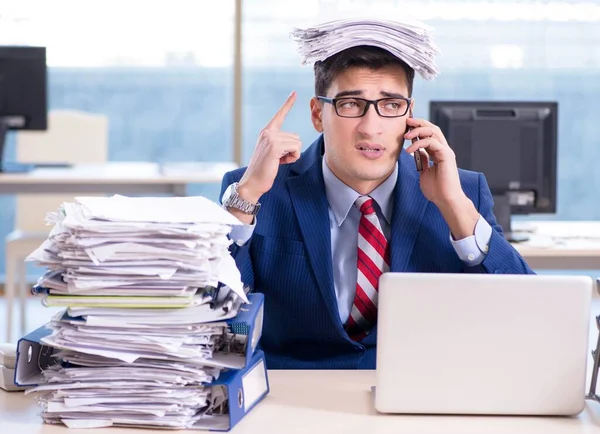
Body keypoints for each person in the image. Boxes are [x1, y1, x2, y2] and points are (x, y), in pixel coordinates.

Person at [219, 44, 535, 370]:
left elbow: (529, 313)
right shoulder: (256, 188)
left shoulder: (463, 192)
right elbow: (211, 321)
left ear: (409, 114)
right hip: (291, 397)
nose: (371, 127)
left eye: (391, 104)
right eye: (351, 104)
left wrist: (455, 206)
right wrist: (247, 198)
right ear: (317, 114)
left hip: (421, 395)